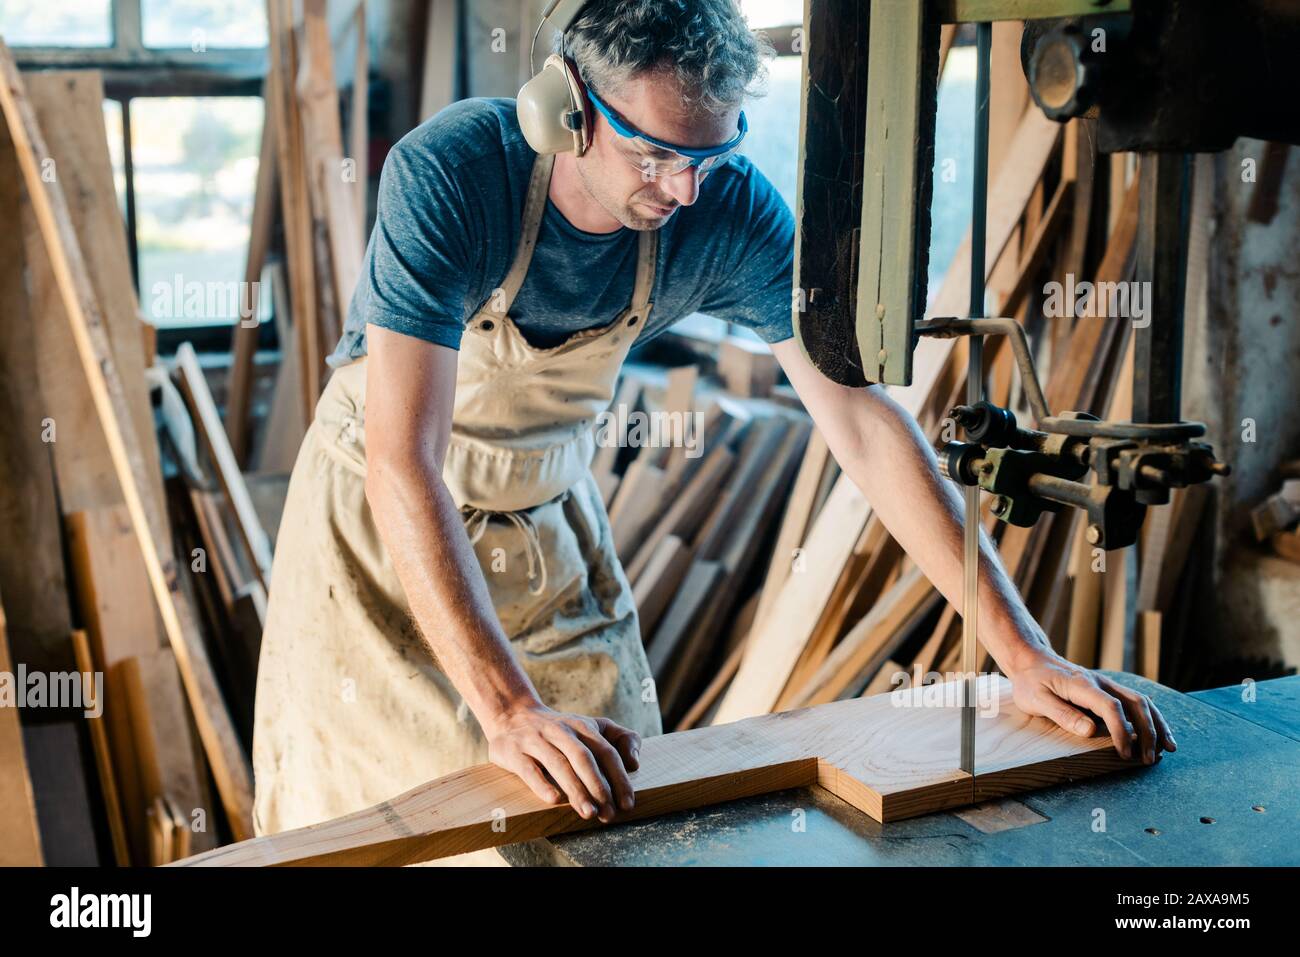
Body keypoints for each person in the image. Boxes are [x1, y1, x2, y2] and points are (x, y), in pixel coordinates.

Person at [252, 0, 1174, 857]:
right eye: (653, 156)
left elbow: (857, 416)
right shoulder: (454, 176)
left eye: (710, 155)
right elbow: (401, 462)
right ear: (564, 107)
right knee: (385, 831)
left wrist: (1019, 650)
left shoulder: (720, 207)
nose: (685, 191)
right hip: (382, 540)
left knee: (607, 817)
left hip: (545, 522)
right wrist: (508, 710)